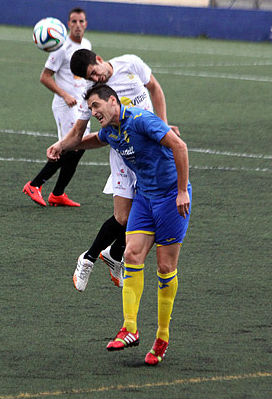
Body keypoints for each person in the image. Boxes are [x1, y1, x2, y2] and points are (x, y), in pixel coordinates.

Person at [49, 83, 191, 366]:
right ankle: (130, 328)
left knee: (165, 267)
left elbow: (179, 145)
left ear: (112, 101)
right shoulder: (111, 131)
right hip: (144, 198)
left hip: (170, 199)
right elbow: (92, 140)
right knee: (130, 254)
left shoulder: (141, 120)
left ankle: (162, 336)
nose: (93, 112)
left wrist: (182, 191)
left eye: (96, 106)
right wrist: (62, 145)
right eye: (90, 109)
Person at [47, 48, 179, 291]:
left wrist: (162, 126)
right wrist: (61, 145)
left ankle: (115, 253)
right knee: (123, 217)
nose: (95, 79)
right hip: (123, 154)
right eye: (90, 78)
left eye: (94, 73)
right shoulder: (94, 98)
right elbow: (80, 133)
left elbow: (155, 89)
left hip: (149, 152)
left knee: (142, 215)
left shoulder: (131, 64)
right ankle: (89, 258)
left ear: (99, 59)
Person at [23, 8, 91, 207]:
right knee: (69, 146)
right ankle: (34, 185)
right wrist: (65, 94)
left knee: (79, 147)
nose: (78, 25)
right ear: (68, 24)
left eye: (81, 21)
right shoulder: (61, 47)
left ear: (86, 24)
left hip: (80, 105)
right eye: (74, 21)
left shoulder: (86, 44)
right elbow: (45, 77)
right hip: (64, 105)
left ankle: (58, 194)